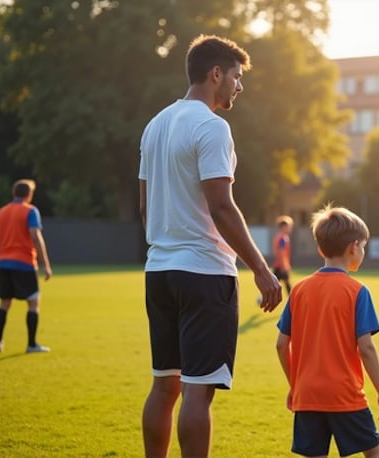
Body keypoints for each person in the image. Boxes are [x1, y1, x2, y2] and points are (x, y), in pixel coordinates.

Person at [138, 34, 283, 458]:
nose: (239, 87)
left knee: (164, 385)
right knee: (197, 392)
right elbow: (222, 207)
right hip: (203, 274)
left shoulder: (155, 125)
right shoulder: (212, 126)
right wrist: (261, 268)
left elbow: (145, 206)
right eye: (236, 77)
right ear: (215, 74)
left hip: (159, 270)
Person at [276, 204, 379, 457]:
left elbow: (281, 344)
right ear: (354, 247)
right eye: (363, 246)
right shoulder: (357, 291)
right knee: (375, 453)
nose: (362, 251)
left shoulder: (298, 290)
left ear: (320, 249)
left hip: (307, 395)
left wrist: (295, 385)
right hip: (345, 395)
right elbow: (366, 347)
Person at [0, 179, 53, 353]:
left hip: (4, 262)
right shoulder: (30, 211)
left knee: (5, 302)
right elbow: (35, 236)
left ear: (14, 193)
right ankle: (31, 344)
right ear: (29, 195)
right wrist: (46, 264)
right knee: (33, 302)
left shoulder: (2, 212)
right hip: (24, 263)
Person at [272, 215, 294, 296]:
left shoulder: (279, 237)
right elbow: (281, 252)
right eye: (289, 226)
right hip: (281, 265)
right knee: (285, 284)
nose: (290, 228)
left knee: (275, 284)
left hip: (279, 265)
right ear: (284, 227)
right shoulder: (283, 238)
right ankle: (293, 300)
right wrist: (283, 266)